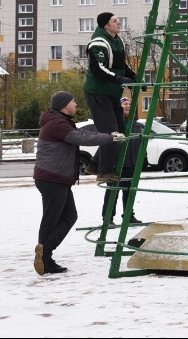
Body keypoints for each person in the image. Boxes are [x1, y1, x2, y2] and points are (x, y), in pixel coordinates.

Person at [33, 91, 125, 275]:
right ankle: (45, 255)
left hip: (56, 177)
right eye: (73, 101)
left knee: (69, 216)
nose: (76, 104)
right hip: (52, 177)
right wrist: (110, 138)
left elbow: (81, 133)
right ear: (65, 105)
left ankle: (45, 253)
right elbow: (80, 138)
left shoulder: (60, 120)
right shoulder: (57, 123)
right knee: (52, 218)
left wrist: (108, 134)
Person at [83, 12, 137, 182]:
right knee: (111, 133)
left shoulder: (117, 40)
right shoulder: (98, 43)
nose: (118, 22)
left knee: (120, 132)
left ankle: (94, 164)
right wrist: (119, 79)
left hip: (112, 93)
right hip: (98, 93)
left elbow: (122, 65)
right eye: (115, 21)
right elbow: (98, 69)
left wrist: (135, 79)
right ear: (106, 25)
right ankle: (104, 172)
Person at [99, 97, 144, 225]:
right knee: (113, 191)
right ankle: (108, 218)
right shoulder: (114, 124)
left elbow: (140, 143)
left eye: (130, 104)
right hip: (116, 163)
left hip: (131, 163)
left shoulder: (136, 125)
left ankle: (129, 215)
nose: (128, 106)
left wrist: (142, 159)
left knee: (129, 191)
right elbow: (108, 142)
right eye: (125, 104)